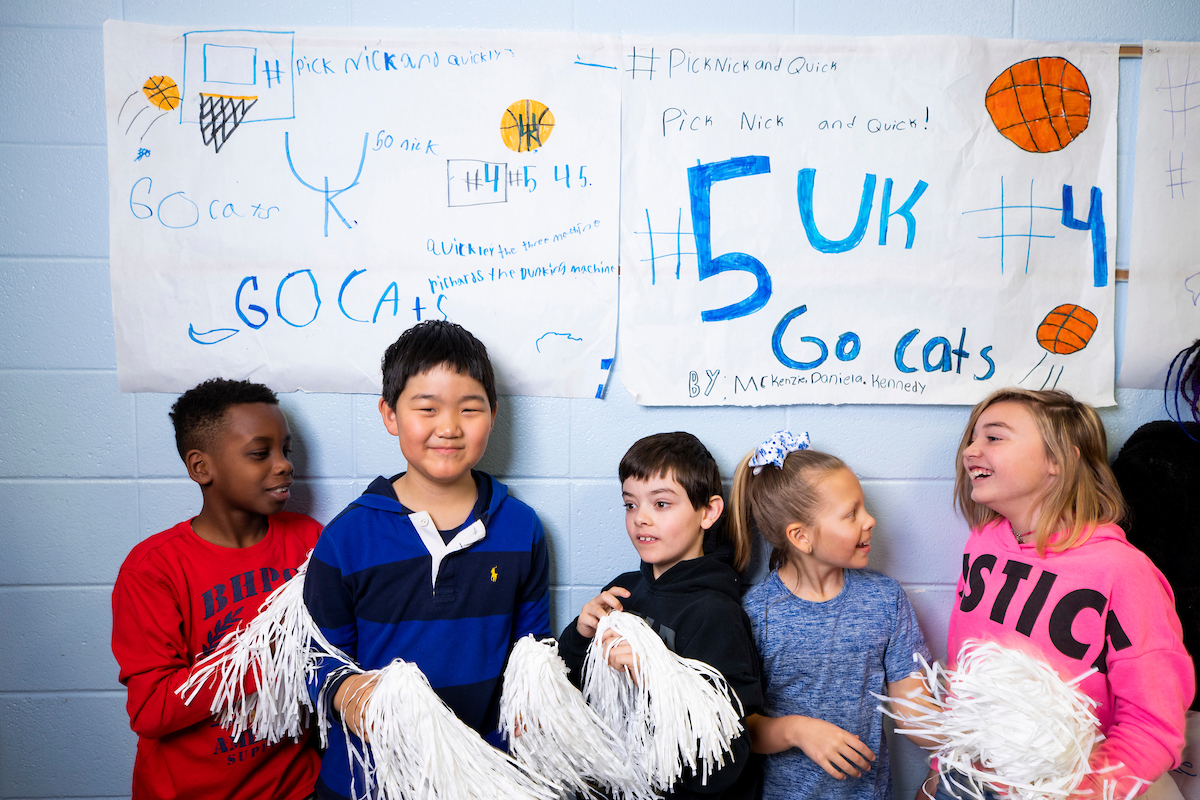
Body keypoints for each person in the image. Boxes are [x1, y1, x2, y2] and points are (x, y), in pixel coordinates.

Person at [303, 320, 550, 800]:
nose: (449, 427)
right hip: (367, 779)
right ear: (390, 415)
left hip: (485, 773)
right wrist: (345, 691)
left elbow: (531, 645)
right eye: (427, 408)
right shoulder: (347, 536)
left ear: (493, 415)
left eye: (469, 409)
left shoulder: (522, 527)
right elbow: (319, 658)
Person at [920, 388, 1194, 800]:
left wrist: (1083, 791)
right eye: (972, 438)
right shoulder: (983, 543)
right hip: (969, 779)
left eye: (993, 437)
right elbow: (969, 675)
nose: (970, 451)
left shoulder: (1121, 570)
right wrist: (944, 770)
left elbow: (1153, 721)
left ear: (1058, 459)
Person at [112, 378, 321, 800]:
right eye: (260, 453)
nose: (283, 465)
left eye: (286, 450)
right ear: (201, 467)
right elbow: (151, 709)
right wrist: (265, 653)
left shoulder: (309, 540)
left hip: (296, 785)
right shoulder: (154, 568)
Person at [558, 431, 763, 800]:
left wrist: (653, 676)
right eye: (630, 505)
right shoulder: (623, 589)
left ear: (709, 512)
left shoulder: (716, 614)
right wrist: (579, 636)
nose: (641, 519)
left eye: (662, 504)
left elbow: (728, 754)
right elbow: (575, 691)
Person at [736, 430, 931, 800]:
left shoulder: (885, 599)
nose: (870, 520)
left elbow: (916, 711)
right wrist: (798, 730)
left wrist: (976, 740)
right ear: (801, 536)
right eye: (851, 514)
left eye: (865, 507)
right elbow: (740, 731)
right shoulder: (753, 613)